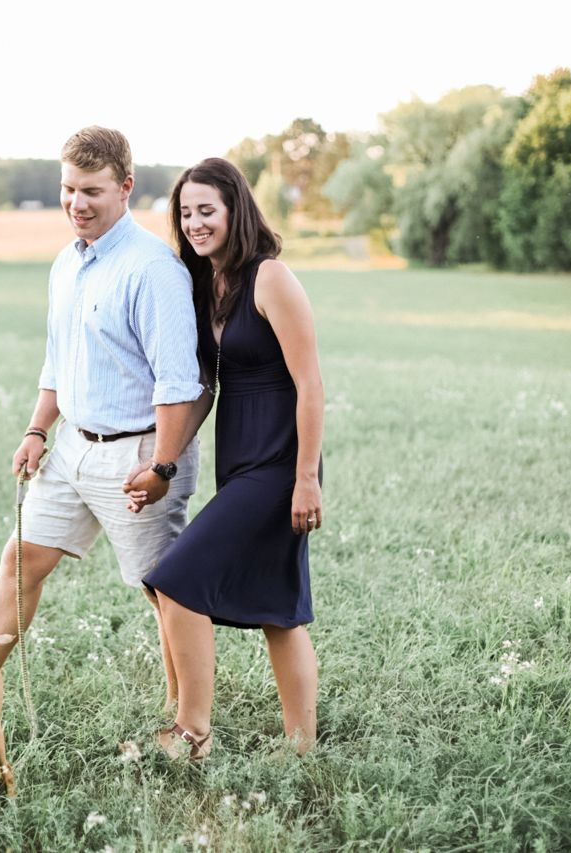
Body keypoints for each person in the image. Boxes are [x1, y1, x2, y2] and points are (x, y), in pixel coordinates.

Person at [0, 127, 204, 713]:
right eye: (68, 189)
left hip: (139, 456)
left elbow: (180, 385)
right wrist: (36, 430)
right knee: (21, 561)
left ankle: (186, 725)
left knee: (166, 593)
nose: (77, 204)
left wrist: (163, 466)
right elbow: (61, 359)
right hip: (72, 447)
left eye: (93, 191)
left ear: (125, 187)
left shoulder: (153, 269)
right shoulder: (65, 264)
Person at [133, 157, 325, 760]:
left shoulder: (270, 278)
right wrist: (165, 465)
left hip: (278, 467)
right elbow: (206, 390)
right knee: (278, 611)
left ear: (235, 209)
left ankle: (191, 733)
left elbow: (311, 383)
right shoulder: (206, 286)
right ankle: (303, 749)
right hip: (240, 463)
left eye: (206, 211)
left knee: (177, 581)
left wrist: (305, 480)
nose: (194, 223)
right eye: (185, 213)